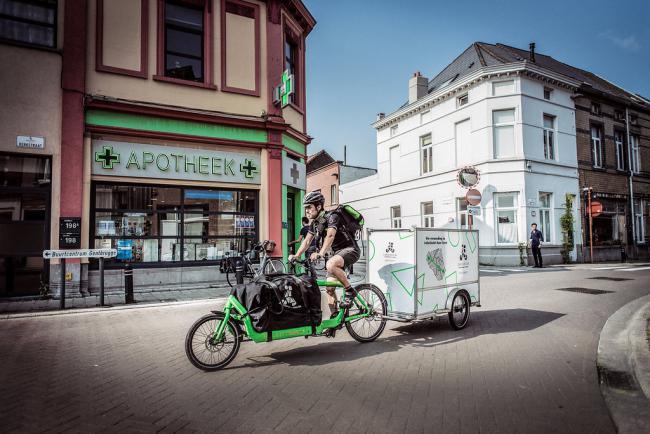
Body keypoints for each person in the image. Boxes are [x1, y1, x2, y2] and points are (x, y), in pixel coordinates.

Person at [289, 191, 361, 317]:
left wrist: (320, 253)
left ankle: (350, 291)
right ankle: (335, 317)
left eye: (309, 207)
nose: (307, 211)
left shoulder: (333, 216)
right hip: (337, 254)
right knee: (329, 288)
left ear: (318, 206)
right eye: (305, 208)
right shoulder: (315, 223)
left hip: (350, 249)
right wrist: (297, 255)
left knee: (330, 264)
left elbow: (331, 235)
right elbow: (306, 241)